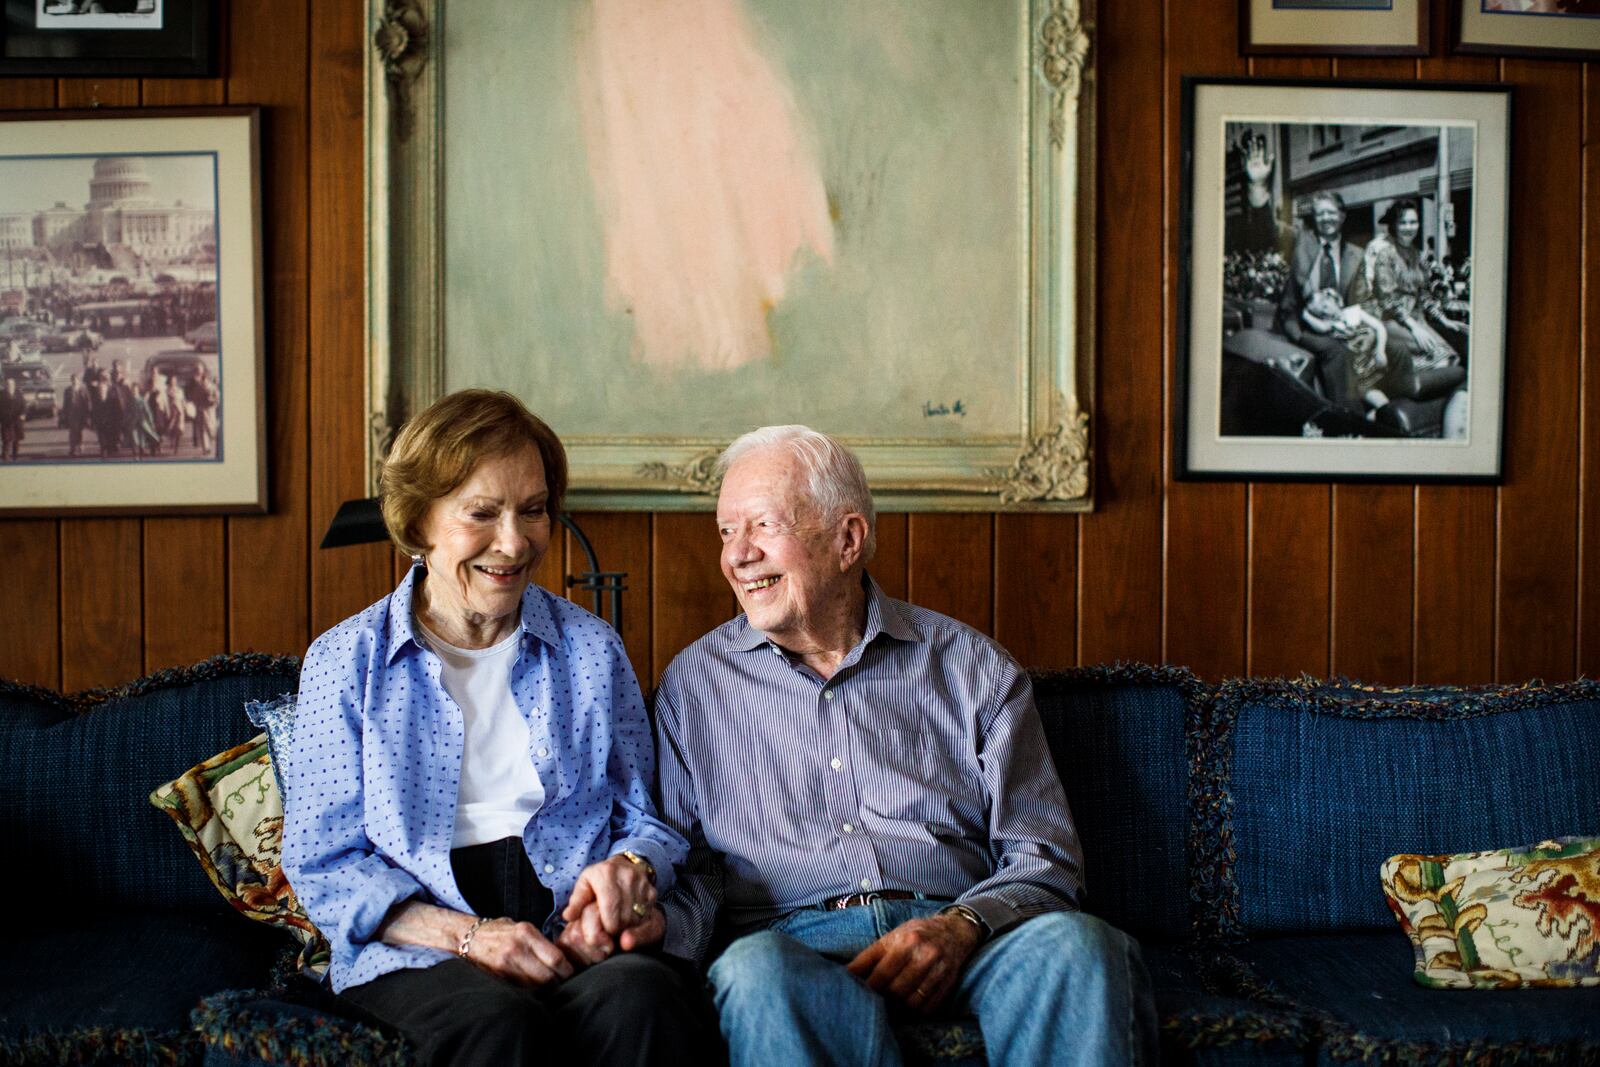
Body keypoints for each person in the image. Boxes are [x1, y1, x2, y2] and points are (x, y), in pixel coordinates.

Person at [647, 425, 1156, 1067]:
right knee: (754, 970)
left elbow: (1045, 858)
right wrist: (654, 926)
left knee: (1082, 949)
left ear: (847, 539)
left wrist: (961, 926)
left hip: (963, 933)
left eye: (763, 526)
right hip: (790, 946)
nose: (737, 555)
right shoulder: (693, 685)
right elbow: (684, 869)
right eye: (725, 531)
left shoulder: (973, 668)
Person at [280, 389, 711, 1067]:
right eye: (481, 513)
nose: (513, 542)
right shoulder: (347, 661)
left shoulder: (591, 649)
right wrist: (468, 937)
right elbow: (323, 860)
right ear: (420, 521)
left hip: (567, 929)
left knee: (645, 999)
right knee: (497, 1022)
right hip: (419, 945)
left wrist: (623, 877)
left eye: (534, 510)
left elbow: (645, 818)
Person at [1277, 190, 1369, 410]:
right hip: (1302, 325)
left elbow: (1361, 300)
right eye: (1319, 214)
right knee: (1336, 351)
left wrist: (1353, 327)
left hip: (1342, 325)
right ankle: (1348, 420)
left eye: (1330, 212)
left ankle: (1381, 410)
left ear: (1342, 216)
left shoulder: (1356, 255)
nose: (1325, 218)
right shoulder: (1302, 243)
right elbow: (1273, 227)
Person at [1363, 198, 1467, 373]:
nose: (1409, 227)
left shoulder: (1417, 255)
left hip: (1417, 319)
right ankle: (1393, 374)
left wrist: (1444, 320)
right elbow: (1388, 299)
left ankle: (1400, 372)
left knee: (1452, 360)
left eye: (1413, 222)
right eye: (1403, 223)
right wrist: (1415, 328)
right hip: (1391, 321)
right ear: (1394, 225)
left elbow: (1424, 295)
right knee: (1441, 362)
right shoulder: (1385, 253)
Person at [1301, 287, 1390, 413]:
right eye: (1321, 311)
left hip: (1373, 366)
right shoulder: (1331, 326)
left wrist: (1380, 349)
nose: (1325, 310)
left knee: (1379, 405)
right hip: (1357, 375)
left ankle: (1373, 418)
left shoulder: (1354, 312)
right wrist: (1305, 314)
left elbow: (1379, 328)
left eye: (1326, 304)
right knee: (1382, 403)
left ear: (1335, 300)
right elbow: (1320, 326)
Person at [62, 373, 91, 457]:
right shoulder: (67, 390)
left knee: (79, 430)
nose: (74, 381)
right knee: (72, 431)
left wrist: (88, 413)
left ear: (79, 380)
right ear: (71, 380)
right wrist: (64, 413)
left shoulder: (83, 389)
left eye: (76, 379)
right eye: (73, 379)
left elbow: (87, 401)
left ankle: (80, 445)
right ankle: (72, 448)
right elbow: (65, 403)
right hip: (71, 413)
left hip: (81, 413)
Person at [0, 376, 24, 461]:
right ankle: (5, 458)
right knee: (6, 440)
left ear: (14, 384)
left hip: (17, 421)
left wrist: (22, 414)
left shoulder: (18, 393)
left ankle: (15, 457)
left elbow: (23, 405)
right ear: (5, 385)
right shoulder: (1, 394)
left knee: (16, 440)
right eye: (7, 384)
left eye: (11, 384)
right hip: (6, 421)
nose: (9, 385)